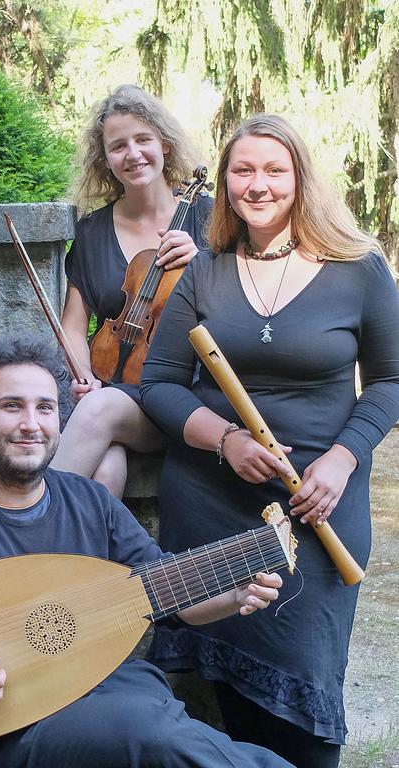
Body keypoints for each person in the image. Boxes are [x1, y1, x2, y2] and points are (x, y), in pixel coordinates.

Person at [0, 333, 295, 768]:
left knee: (154, 726)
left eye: (45, 408)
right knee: (151, 734)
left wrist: (232, 596)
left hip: (107, 690)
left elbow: (163, 592)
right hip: (5, 732)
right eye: (12, 406)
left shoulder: (89, 502)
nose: (31, 424)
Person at [139, 114, 399, 768]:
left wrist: (342, 460)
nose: (258, 185)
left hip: (316, 501)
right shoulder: (205, 271)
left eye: (274, 170)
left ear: (300, 179)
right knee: (233, 701)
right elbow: (159, 383)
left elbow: (392, 381)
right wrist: (226, 440)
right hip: (213, 495)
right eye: (243, 170)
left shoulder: (359, 267)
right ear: (225, 183)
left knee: (307, 683)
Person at [50, 84, 213, 497]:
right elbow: (73, 327)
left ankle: (19, 522)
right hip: (112, 393)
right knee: (107, 469)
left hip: (185, 396)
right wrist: (84, 375)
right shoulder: (91, 232)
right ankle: (70, 542)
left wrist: (202, 265)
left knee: (98, 411)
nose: (133, 154)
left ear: (165, 145)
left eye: (143, 140)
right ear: (105, 159)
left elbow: (243, 309)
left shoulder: (208, 218)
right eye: (118, 146)